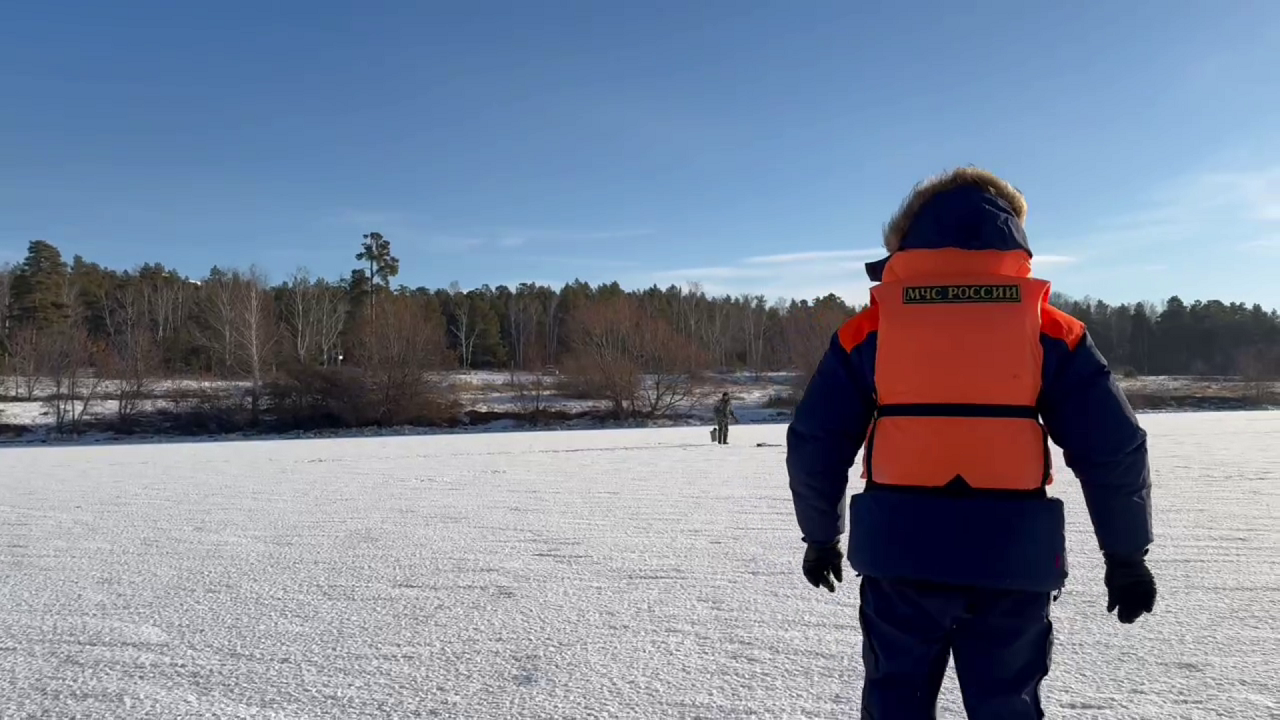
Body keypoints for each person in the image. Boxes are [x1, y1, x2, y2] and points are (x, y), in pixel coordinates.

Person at [786, 168, 1157, 719]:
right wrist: (1125, 554)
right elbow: (1113, 448)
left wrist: (820, 537)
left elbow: (816, 441)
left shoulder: (868, 330)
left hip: (899, 555)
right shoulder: (1051, 330)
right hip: (1012, 556)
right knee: (1007, 705)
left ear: (905, 240)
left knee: (896, 703)